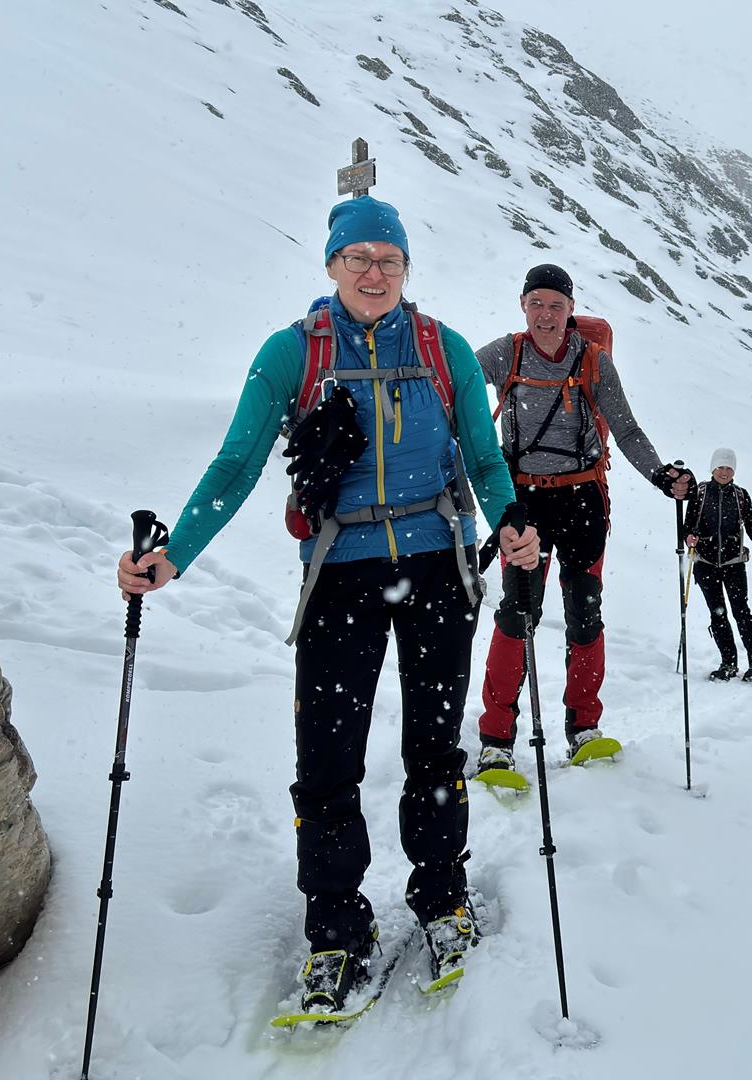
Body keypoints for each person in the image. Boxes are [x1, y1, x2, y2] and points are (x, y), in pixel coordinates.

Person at [114, 195, 539, 1013]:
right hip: (339, 572)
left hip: (438, 566)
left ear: (407, 267)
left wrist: (511, 521)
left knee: (434, 749)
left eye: (389, 260)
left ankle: (443, 898)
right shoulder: (292, 353)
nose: (374, 273)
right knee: (327, 759)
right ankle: (337, 928)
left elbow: (485, 460)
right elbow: (237, 463)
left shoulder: (441, 348)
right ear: (332, 264)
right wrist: (175, 555)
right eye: (359, 259)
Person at [472, 264, 691, 781]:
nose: (546, 315)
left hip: (582, 502)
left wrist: (660, 474)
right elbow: (456, 393)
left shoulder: (593, 360)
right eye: (537, 303)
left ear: (571, 310)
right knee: (517, 614)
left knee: (585, 613)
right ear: (523, 305)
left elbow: (627, 429)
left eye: (556, 305)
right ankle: (496, 740)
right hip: (522, 501)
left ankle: (584, 729)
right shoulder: (505, 353)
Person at [683, 447, 752, 681]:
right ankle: (728, 664)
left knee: (741, 612)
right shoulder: (700, 493)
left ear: (734, 470)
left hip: (734, 563)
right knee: (718, 614)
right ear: (713, 468)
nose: (724, 472)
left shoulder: (741, 495)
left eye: (729, 467)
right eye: (720, 467)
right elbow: (687, 526)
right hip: (705, 563)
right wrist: (688, 538)